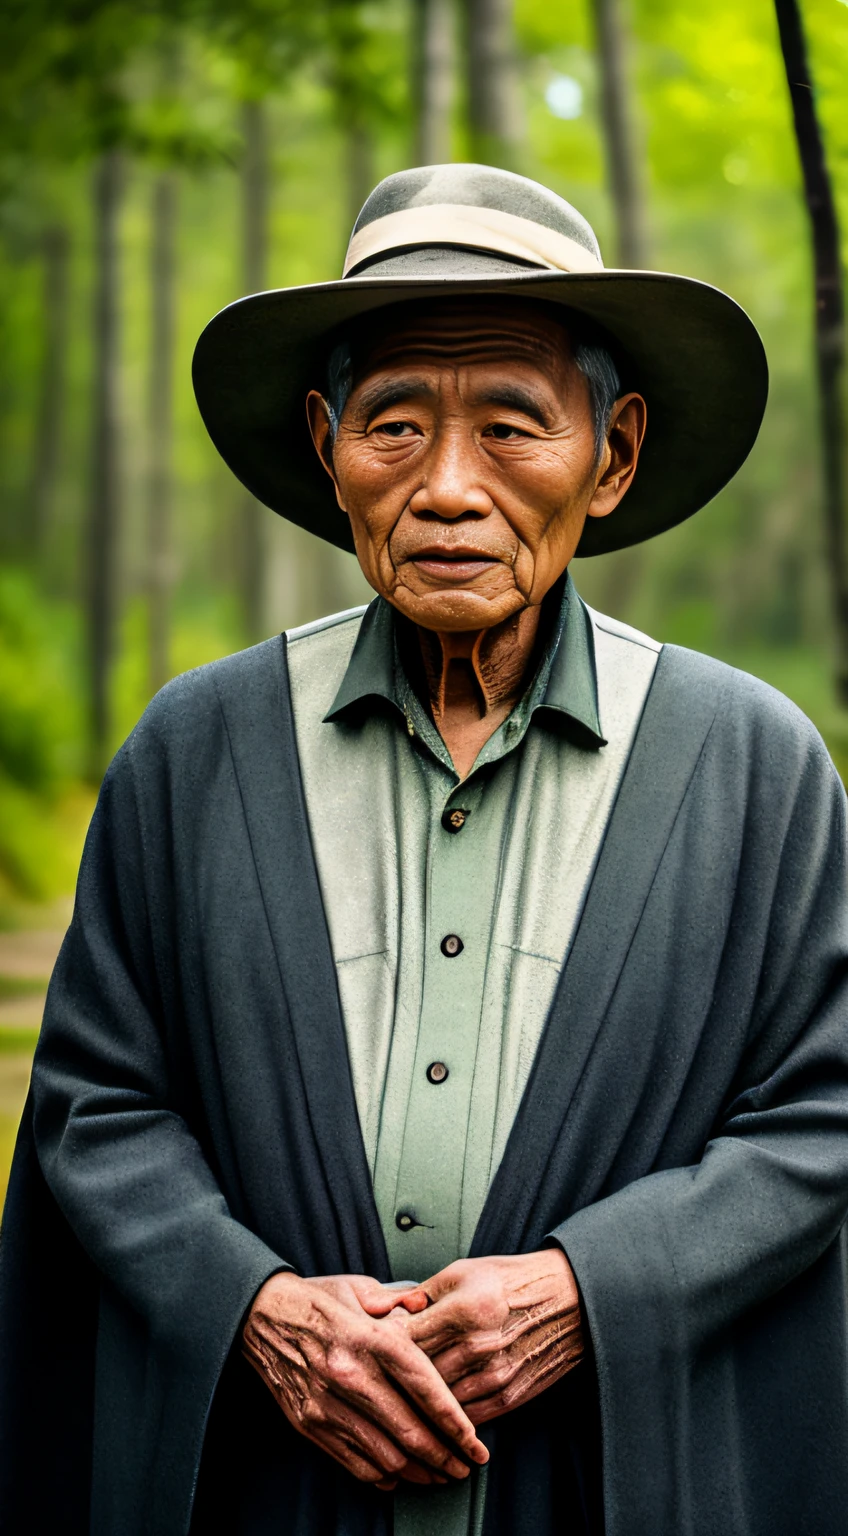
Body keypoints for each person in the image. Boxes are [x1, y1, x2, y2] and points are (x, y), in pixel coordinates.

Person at [2, 163, 848, 1536]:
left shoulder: (751, 767)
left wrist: (586, 1291)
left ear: (613, 454)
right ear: (328, 445)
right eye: (394, 423)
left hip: (608, 1486)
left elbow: (823, 1112)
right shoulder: (197, 750)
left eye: (515, 424)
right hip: (272, 1491)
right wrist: (261, 1310)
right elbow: (98, 1103)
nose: (450, 488)